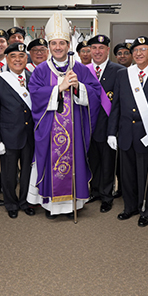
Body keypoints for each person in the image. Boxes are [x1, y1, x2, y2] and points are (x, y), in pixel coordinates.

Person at [27, 13, 101, 218]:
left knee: (74, 162)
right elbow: (35, 95)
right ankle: (52, 205)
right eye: (54, 43)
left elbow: (95, 92)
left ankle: (72, 206)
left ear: (69, 45)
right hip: (51, 130)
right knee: (52, 163)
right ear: (49, 46)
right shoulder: (41, 70)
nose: (58, 47)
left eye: (62, 43)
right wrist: (59, 88)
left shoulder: (79, 68)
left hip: (74, 129)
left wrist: (79, 88)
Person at [108, 36, 148, 227]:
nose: (138, 54)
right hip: (126, 134)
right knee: (126, 174)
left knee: (146, 174)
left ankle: (145, 209)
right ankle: (129, 207)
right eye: (135, 51)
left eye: (143, 50)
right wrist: (112, 132)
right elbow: (116, 106)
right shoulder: (123, 75)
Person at [0, 43, 35, 219]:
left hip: (29, 135)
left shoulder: (33, 78)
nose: (18, 60)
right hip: (8, 136)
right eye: (13, 56)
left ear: (26, 59)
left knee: (27, 172)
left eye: (21, 56)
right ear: (7, 59)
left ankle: (25, 201)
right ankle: (11, 203)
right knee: (9, 174)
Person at [86, 34, 124, 213]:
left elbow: (118, 103)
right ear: (90, 50)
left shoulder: (118, 71)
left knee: (108, 163)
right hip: (88, 126)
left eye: (101, 48)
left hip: (108, 126)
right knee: (92, 161)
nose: (97, 51)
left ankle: (107, 195)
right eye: (94, 48)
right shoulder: (82, 69)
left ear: (108, 50)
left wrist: (114, 130)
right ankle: (94, 190)